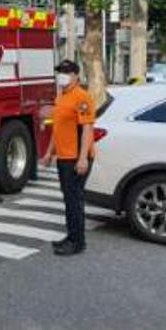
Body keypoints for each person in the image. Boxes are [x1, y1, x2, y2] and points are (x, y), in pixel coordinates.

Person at [41, 59, 96, 256]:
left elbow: (87, 129)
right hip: (64, 157)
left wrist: (83, 159)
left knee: (74, 200)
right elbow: (58, 129)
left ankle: (77, 242)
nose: (61, 75)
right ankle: (71, 236)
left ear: (75, 75)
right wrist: (49, 153)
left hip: (76, 158)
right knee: (68, 199)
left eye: (65, 72)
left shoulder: (82, 97)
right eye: (59, 72)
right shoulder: (62, 97)